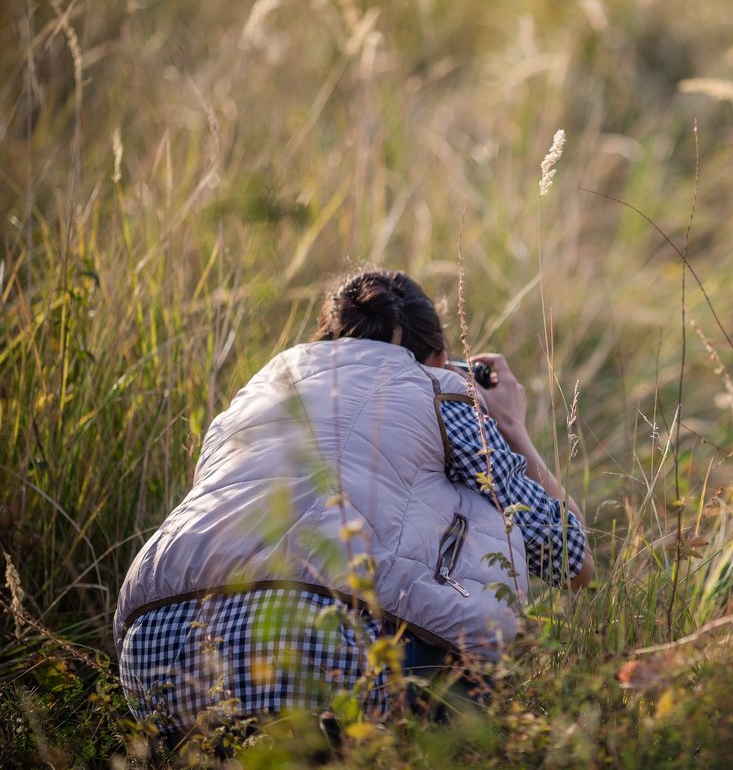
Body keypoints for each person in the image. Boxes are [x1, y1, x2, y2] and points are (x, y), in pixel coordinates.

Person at [114, 269, 593, 743]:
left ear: (324, 341)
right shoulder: (440, 391)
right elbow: (573, 560)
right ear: (441, 358)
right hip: (324, 651)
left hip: (157, 652)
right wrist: (511, 425)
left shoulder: (249, 397)